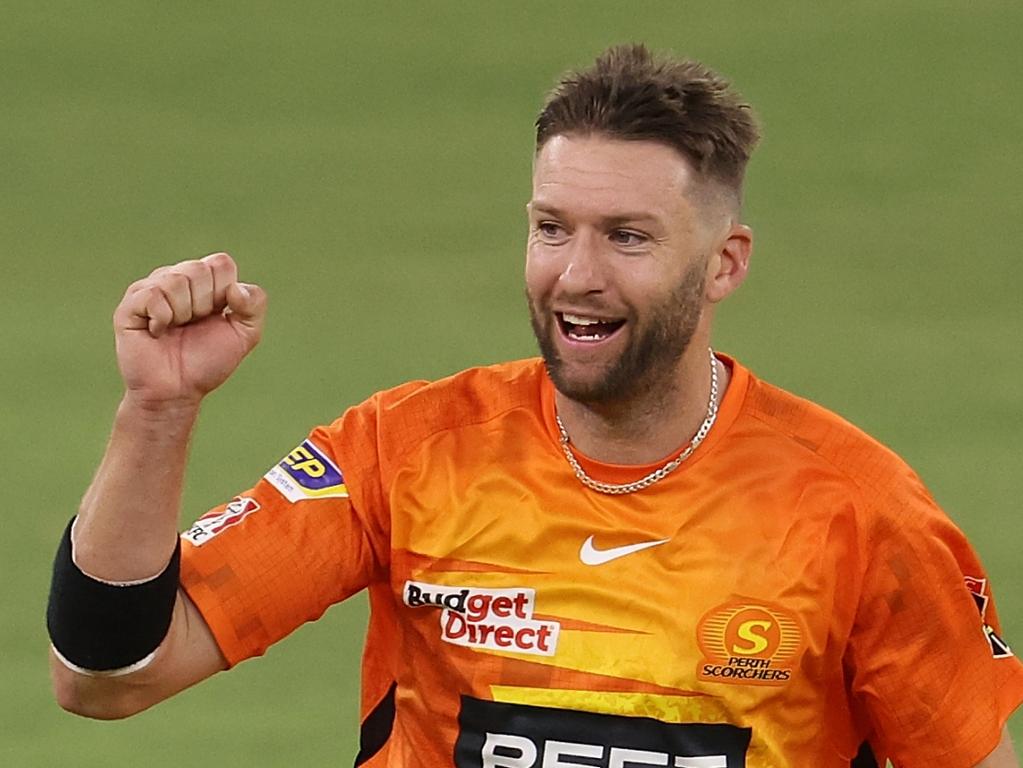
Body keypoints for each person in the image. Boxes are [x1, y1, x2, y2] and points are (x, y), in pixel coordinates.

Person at [48, 44, 1022, 768]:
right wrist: (158, 410)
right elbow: (107, 677)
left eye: (628, 238)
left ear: (724, 263)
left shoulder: (858, 507)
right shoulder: (406, 451)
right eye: (552, 228)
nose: (576, 276)